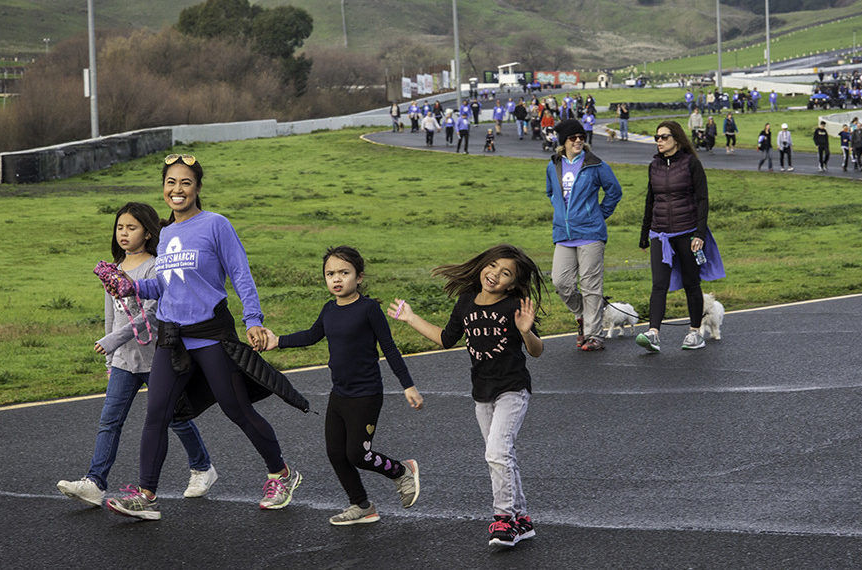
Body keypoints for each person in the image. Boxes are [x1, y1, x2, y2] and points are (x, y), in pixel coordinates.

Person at [103, 155, 309, 521]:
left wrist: (254, 319)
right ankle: (146, 494)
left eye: (185, 182)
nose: (177, 189)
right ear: (163, 189)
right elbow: (165, 284)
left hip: (210, 335)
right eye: (170, 182)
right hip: (172, 336)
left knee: (237, 409)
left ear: (197, 187)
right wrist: (132, 285)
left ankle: (282, 474)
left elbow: (240, 273)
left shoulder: (216, 225)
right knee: (157, 415)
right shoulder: (165, 233)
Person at [58, 202, 218, 508]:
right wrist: (110, 358)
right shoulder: (114, 271)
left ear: (147, 233)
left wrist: (111, 340)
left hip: (157, 358)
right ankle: (95, 482)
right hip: (123, 362)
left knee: (174, 419)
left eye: (131, 228)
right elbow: (111, 317)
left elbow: (151, 315)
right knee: (109, 421)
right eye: (120, 227)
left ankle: (202, 468)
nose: (124, 233)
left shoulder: (155, 268)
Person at [389, 244, 545, 548]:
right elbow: (445, 338)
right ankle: (522, 519)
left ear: (512, 283)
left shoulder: (514, 306)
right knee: (501, 456)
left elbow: (537, 351)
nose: (495, 275)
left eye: (505, 273)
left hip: (512, 390)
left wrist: (526, 331)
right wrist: (410, 318)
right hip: (482, 393)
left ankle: (504, 520)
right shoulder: (465, 303)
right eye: (493, 266)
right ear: (482, 266)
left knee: (496, 453)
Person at [265, 246, 423, 526]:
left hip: (366, 395)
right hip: (339, 394)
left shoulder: (369, 309)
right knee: (336, 453)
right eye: (330, 274)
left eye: (344, 273)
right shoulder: (329, 309)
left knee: (358, 454)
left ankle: (401, 471)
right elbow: (312, 335)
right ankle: (361, 505)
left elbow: (390, 348)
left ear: (359, 277)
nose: (336, 279)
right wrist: (279, 341)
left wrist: (408, 385)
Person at [636, 121, 724, 353]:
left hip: (687, 233)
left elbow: (703, 200)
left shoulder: (691, 163)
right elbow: (650, 200)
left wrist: (700, 233)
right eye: (657, 137)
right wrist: (645, 234)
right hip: (660, 233)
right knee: (658, 284)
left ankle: (695, 333)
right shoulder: (654, 165)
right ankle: (653, 333)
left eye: (664, 137)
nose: (659, 141)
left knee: (691, 283)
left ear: (676, 138)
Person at [545, 119, 622, 352]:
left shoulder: (595, 165)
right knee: (560, 282)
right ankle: (584, 316)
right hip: (564, 233)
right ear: (564, 142)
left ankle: (594, 334)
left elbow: (614, 192)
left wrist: (598, 214)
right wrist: (561, 212)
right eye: (573, 137)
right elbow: (551, 192)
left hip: (591, 233)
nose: (578, 141)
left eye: (581, 137)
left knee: (590, 286)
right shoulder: (554, 165)